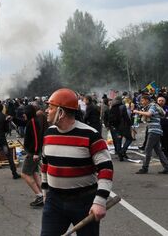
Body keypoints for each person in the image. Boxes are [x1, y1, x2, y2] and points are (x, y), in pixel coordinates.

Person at [41, 88, 113, 236]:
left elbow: (106, 169)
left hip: (84, 202)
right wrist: (45, 191)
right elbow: (45, 164)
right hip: (54, 201)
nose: (46, 111)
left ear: (61, 112)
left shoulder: (91, 135)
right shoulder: (48, 134)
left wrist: (99, 201)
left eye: (50, 107)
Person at [133, 94, 168, 174]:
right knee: (158, 151)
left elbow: (149, 114)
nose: (142, 102)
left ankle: (145, 168)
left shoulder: (152, 106)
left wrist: (137, 111)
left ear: (147, 100)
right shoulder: (150, 106)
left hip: (154, 131)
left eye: (142, 100)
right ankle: (167, 167)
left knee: (147, 149)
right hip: (155, 130)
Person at [21, 104, 46, 207]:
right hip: (32, 152)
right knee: (34, 173)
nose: (23, 115)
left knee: (25, 174)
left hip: (33, 153)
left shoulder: (33, 122)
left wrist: (35, 153)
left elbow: (37, 139)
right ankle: (44, 195)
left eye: (24, 113)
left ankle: (39, 195)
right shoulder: (31, 121)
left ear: (28, 113)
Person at [108, 96, 133, 161]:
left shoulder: (112, 107)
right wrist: (130, 124)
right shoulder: (122, 106)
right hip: (123, 126)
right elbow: (126, 117)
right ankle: (122, 151)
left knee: (119, 141)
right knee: (129, 139)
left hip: (115, 127)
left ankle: (120, 156)